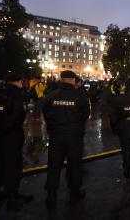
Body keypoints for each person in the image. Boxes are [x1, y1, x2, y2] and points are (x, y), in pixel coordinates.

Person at [0, 73, 33, 211]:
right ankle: (12, 199)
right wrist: (3, 130)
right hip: (11, 138)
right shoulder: (17, 94)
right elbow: (18, 117)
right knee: (12, 169)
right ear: (18, 81)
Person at [42, 70, 91, 208]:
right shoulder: (81, 97)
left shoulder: (50, 96)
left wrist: (53, 127)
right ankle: (74, 194)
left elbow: (45, 113)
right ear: (73, 80)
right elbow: (85, 114)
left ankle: (51, 197)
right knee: (74, 166)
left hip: (56, 136)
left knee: (54, 166)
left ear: (61, 79)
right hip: (74, 137)